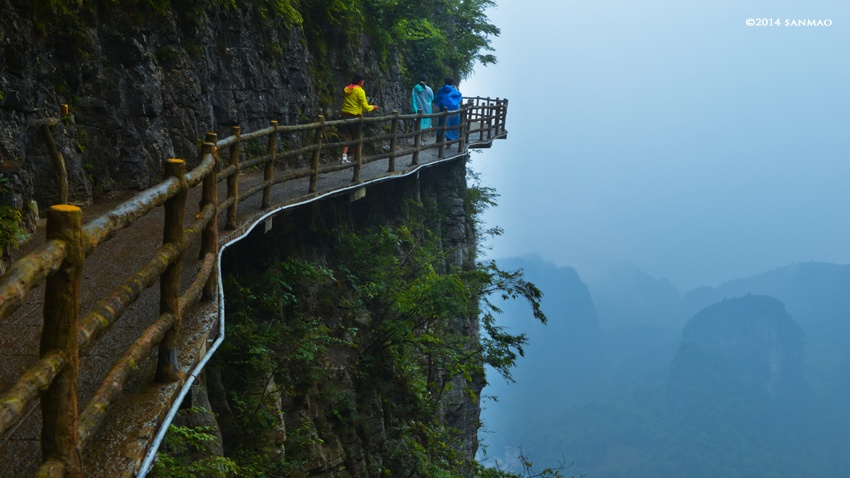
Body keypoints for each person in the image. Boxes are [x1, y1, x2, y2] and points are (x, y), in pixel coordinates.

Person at [340, 73, 379, 163]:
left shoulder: (347, 89)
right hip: (354, 115)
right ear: (361, 81)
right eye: (363, 81)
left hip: (344, 114)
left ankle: (344, 156)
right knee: (356, 136)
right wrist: (373, 107)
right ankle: (355, 157)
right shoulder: (360, 91)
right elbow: (365, 107)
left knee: (347, 135)